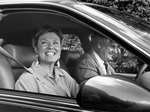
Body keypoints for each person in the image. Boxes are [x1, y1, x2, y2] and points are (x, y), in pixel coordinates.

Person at [15, 25, 79, 98]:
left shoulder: (63, 74)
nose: (51, 47)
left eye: (55, 43)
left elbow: (81, 94)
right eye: (44, 42)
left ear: (60, 48)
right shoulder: (27, 80)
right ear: (36, 49)